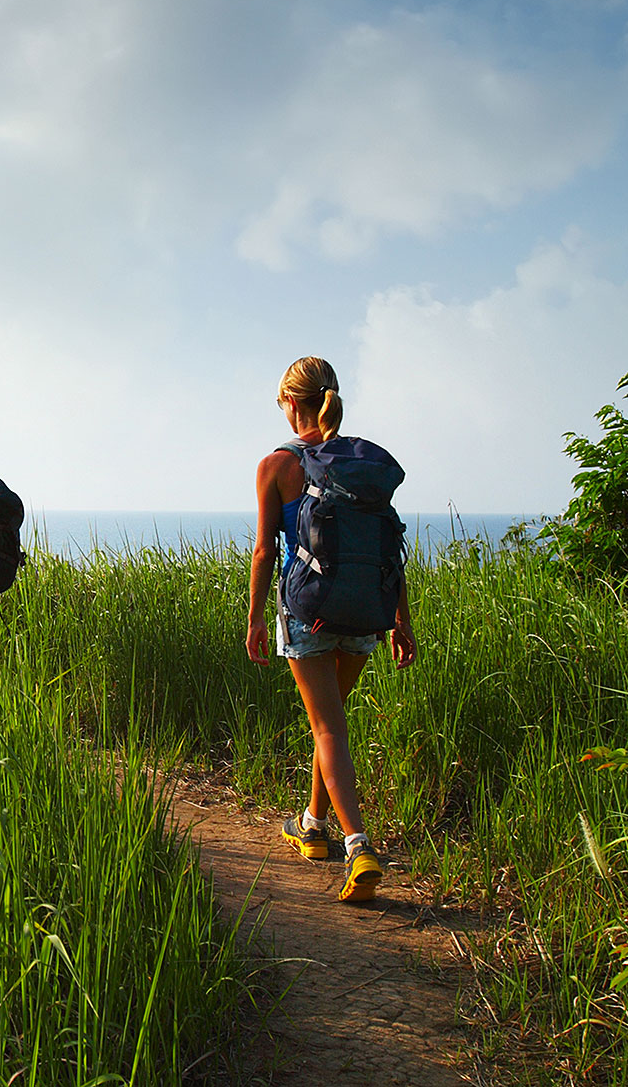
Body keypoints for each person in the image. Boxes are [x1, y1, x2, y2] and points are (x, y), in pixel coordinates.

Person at [244, 357, 417, 902]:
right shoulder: (361, 462)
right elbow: (390, 548)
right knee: (332, 723)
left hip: (306, 613)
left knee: (328, 730)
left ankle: (359, 845)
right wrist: (400, 619)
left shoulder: (276, 465)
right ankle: (311, 826)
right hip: (365, 612)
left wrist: (253, 619)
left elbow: (266, 550)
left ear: (292, 403)